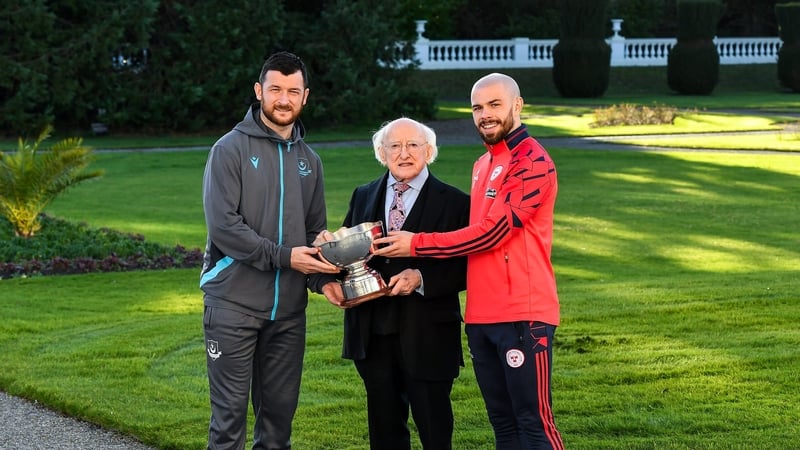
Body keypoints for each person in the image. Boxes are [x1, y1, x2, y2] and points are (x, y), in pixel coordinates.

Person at [373, 73, 564, 450]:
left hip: (522, 314)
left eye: (495, 105)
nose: (485, 114)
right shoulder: (482, 163)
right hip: (480, 316)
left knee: (534, 423)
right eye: (478, 107)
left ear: (518, 105)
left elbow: (492, 233)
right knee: (503, 424)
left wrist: (417, 245)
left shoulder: (534, 161)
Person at [199, 51, 340, 450]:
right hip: (233, 307)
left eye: (292, 91)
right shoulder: (229, 150)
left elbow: (314, 233)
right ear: (259, 90)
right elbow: (225, 228)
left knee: (277, 430)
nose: (283, 99)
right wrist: (284, 257)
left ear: (305, 96)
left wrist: (323, 278)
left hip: (289, 315)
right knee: (228, 426)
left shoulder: (309, 161)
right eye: (275, 89)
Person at [316, 118, 470, 450]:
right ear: (381, 153)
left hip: (428, 333)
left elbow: (469, 266)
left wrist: (421, 277)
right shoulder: (363, 194)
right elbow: (347, 256)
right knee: (384, 432)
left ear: (429, 152)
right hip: (372, 332)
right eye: (395, 146)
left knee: (435, 429)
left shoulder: (456, 202)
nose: (404, 153)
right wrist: (328, 254)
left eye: (413, 145)